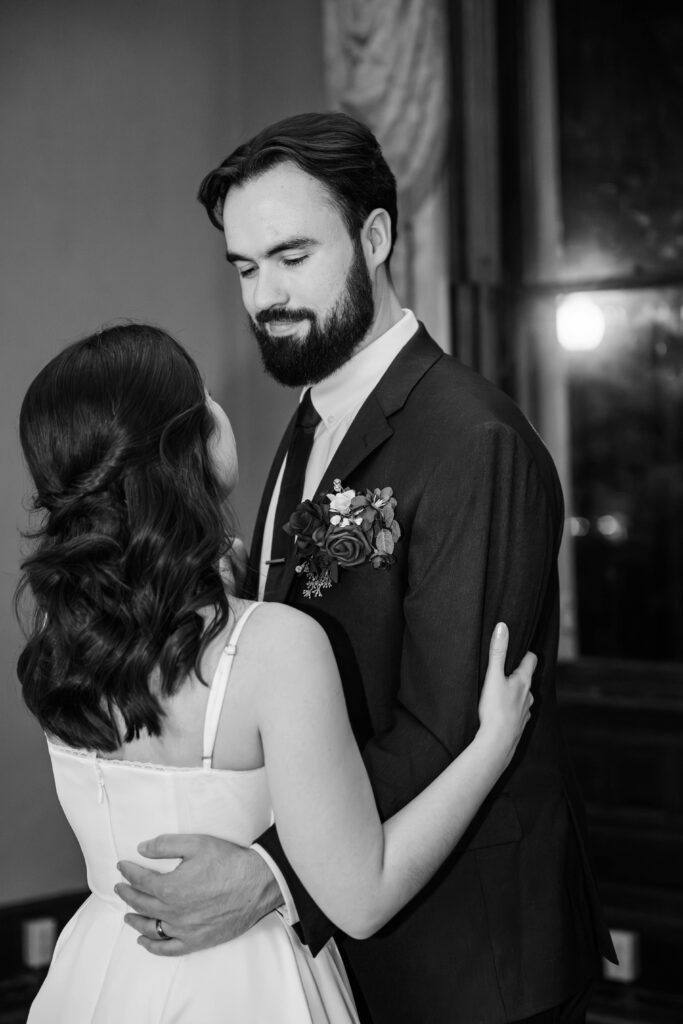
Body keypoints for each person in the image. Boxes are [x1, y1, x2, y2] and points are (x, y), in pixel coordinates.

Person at [119, 112, 617, 1023]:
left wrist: (270, 871)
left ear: (374, 237)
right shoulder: (312, 417)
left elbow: (446, 724)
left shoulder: (474, 440)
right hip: (356, 949)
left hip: (471, 958)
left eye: (292, 256)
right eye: (244, 266)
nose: (264, 293)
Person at [17, 324, 535, 1024]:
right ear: (189, 448)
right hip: (250, 986)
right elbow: (361, 898)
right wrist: (491, 748)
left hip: (104, 970)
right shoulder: (274, 649)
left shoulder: (59, 631)